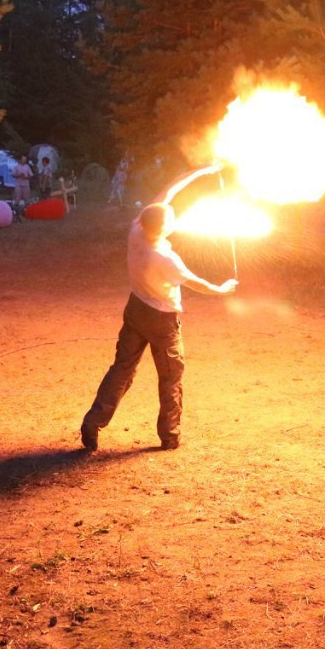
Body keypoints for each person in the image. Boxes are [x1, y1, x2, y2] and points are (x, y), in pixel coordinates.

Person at [80, 167, 237, 453]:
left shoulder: (137, 229)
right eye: (171, 218)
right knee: (170, 377)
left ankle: (93, 422)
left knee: (122, 369)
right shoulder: (165, 258)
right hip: (162, 320)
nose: (175, 216)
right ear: (164, 227)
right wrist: (221, 289)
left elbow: (167, 190)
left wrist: (203, 170)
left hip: (136, 308)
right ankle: (170, 435)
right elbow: (196, 283)